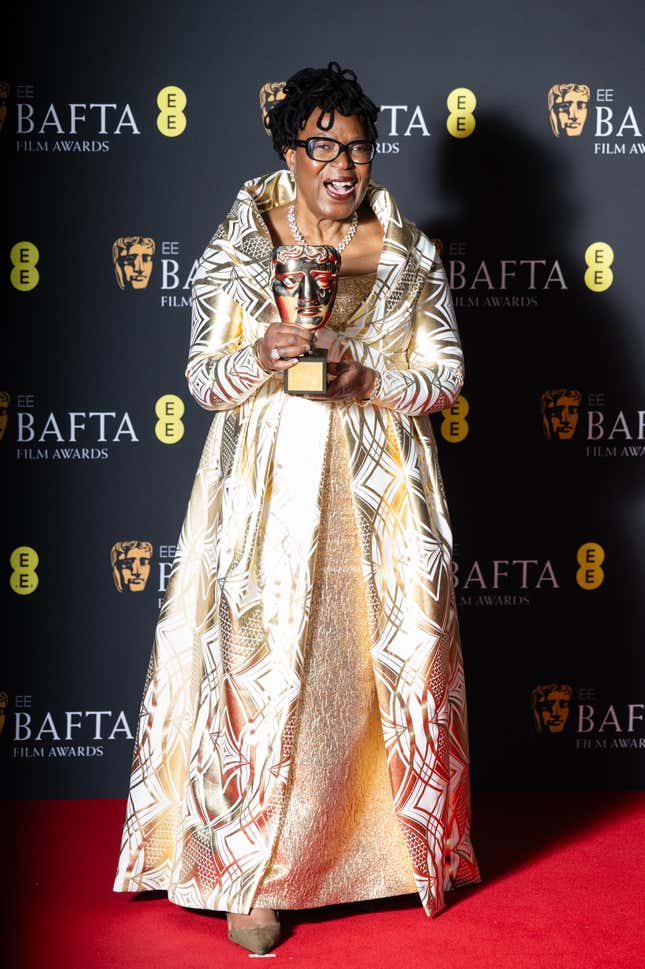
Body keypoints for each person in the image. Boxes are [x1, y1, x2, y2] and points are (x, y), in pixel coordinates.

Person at [113, 61, 482, 955]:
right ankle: (252, 876)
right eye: (324, 148)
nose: (345, 166)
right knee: (263, 668)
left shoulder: (407, 250)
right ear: (289, 152)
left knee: (367, 671)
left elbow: (444, 376)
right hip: (268, 490)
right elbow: (204, 378)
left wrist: (369, 377)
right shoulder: (240, 247)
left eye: (357, 148)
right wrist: (266, 356)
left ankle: (391, 857)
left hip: (381, 496)